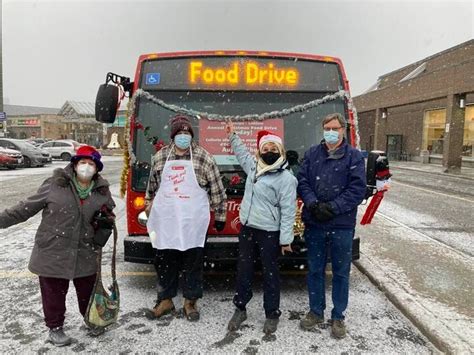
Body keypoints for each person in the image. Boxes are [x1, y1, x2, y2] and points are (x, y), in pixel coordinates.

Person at [0, 145, 115, 347]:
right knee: (53, 292)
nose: (86, 167)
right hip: (53, 249)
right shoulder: (55, 184)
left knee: (87, 290)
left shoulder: (101, 191)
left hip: (85, 250)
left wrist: (105, 220)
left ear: (97, 169)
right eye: (83, 162)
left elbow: (109, 213)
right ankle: (55, 328)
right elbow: (24, 208)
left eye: (91, 164)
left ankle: (91, 319)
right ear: (75, 164)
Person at [145, 114, 227, 322]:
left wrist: (220, 215)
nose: (184, 136)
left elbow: (217, 189)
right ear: (173, 136)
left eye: (187, 133)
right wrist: (149, 208)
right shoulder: (160, 157)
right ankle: (165, 300)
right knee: (165, 261)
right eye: (180, 133)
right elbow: (152, 189)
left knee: (193, 262)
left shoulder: (204, 157)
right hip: (167, 221)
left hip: (193, 223)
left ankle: (190, 302)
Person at [297, 113, 366, 339]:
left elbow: (357, 190)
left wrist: (333, 208)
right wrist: (313, 203)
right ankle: (316, 311)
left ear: (343, 130)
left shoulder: (354, 157)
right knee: (315, 269)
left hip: (342, 225)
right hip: (315, 223)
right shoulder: (312, 154)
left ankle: (338, 316)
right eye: (327, 127)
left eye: (335, 128)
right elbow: (303, 181)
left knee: (340, 272)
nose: (331, 131)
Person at [225, 120, 297, 334]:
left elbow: (288, 211)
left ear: (281, 151)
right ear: (260, 150)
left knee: (270, 273)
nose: (269, 151)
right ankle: (240, 308)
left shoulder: (286, 179)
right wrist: (233, 135)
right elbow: (241, 153)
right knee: (244, 270)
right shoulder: (253, 166)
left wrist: (285, 240)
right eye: (265, 148)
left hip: (269, 233)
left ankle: (272, 313)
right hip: (248, 229)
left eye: (273, 149)